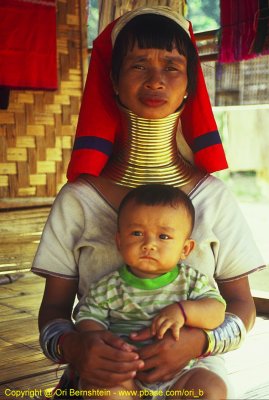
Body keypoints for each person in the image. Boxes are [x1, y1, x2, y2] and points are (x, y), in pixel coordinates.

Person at [32, 6, 265, 400]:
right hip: (106, 369)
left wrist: (200, 343)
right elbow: (53, 309)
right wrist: (74, 348)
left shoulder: (212, 197)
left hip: (192, 370)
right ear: (114, 80)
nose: (156, 79)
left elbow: (242, 305)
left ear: (190, 82)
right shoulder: (79, 200)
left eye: (172, 67)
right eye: (138, 65)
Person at [76, 184, 226, 399]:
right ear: (119, 241)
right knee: (97, 388)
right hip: (125, 375)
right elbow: (87, 318)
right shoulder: (108, 287)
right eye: (137, 233)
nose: (149, 244)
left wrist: (183, 311)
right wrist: (99, 340)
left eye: (163, 236)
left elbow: (217, 311)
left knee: (212, 387)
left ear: (185, 249)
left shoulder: (191, 282)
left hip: (180, 375)